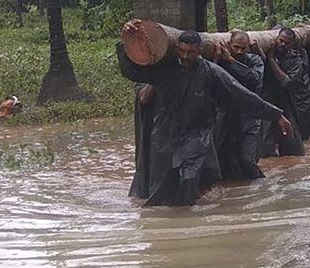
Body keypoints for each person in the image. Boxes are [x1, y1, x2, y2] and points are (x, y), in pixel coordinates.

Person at [117, 22, 293, 206]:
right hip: (164, 139)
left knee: (188, 187)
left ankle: (189, 224)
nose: (185, 57)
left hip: (196, 139)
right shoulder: (164, 70)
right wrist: (126, 41)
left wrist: (276, 115)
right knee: (159, 193)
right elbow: (131, 71)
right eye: (182, 51)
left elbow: (243, 96)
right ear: (177, 49)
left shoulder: (211, 73)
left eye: (190, 53)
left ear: (199, 51)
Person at [212, 31, 268, 180]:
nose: (239, 52)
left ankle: (259, 189)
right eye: (236, 47)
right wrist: (217, 60)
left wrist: (230, 61)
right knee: (223, 159)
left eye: (243, 49)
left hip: (249, 118)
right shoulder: (221, 62)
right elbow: (209, 79)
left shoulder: (255, 60)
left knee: (248, 160)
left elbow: (254, 79)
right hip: (226, 117)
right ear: (229, 45)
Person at [260, 26, 310, 149]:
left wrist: (272, 60)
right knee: (266, 137)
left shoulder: (296, 60)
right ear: (276, 38)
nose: (283, 44)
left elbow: (285, 81)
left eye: (287, 43)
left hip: (288, 100)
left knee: (292, 140)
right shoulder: (268, 51)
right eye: (281, 40)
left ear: (292, 44)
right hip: (268, 98)